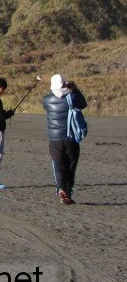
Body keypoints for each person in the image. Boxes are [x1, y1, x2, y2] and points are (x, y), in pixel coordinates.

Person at [42, 74, 88, 205]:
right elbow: (83, 104)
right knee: (71, 165)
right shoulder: (72, 97)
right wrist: (74, 89)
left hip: (54, 138)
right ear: (64, 84)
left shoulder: (46, 99)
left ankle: (61, 188)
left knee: (58, 165)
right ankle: (67, 191)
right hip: (71, 136)